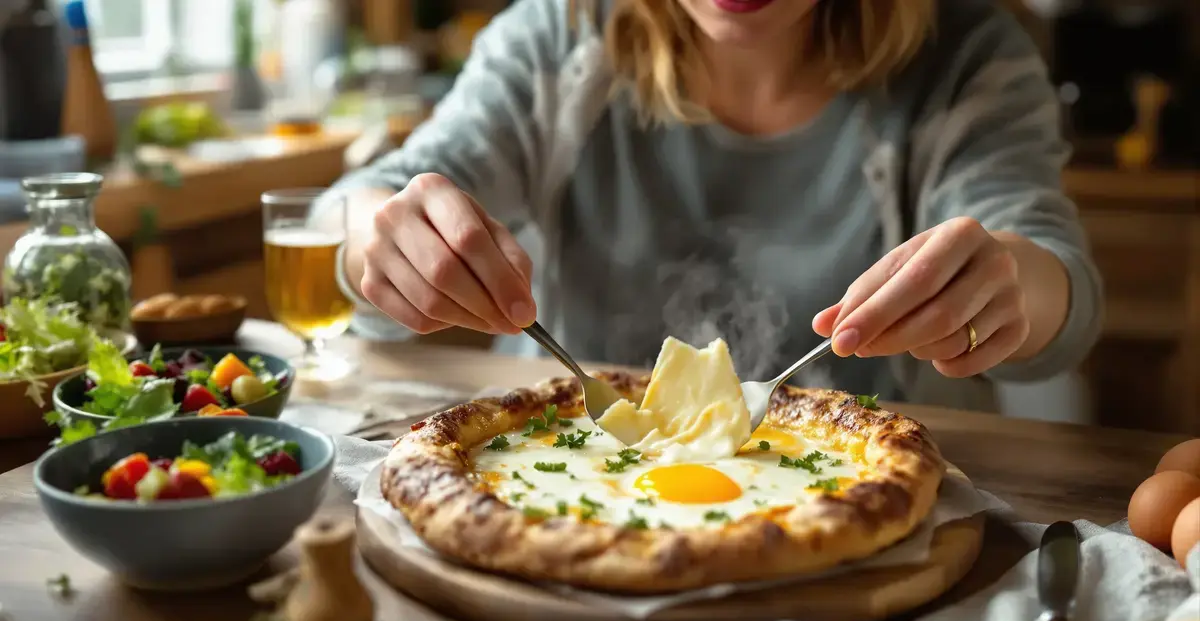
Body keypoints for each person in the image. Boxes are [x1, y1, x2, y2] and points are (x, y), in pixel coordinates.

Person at [328, 0, 1104, 409]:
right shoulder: (560, 34)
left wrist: (1006, 281)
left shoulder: (968, 56)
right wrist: (380, 237)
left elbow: (1058, 288)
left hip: (859, 494)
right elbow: (352, 211)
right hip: (552, 460)